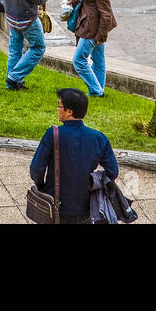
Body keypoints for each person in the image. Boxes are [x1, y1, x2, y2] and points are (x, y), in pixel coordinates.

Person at [29, 88, 119, 224]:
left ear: (69, 111)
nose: (57, 108)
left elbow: (36, 169)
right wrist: (93, 181)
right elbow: (113, 172)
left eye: (59, 105)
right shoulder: (99, 138)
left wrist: (42, 186)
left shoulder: (53, 134)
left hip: (57, 206)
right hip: (87, 207)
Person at [70, 0, 115, 97]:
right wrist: (73, 0)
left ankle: (96, 90)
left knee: (78, 61)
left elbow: (106, 13)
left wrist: (101, 35)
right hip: (94, 27)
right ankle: (98, 90)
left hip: (92, 29)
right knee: (98, 59)